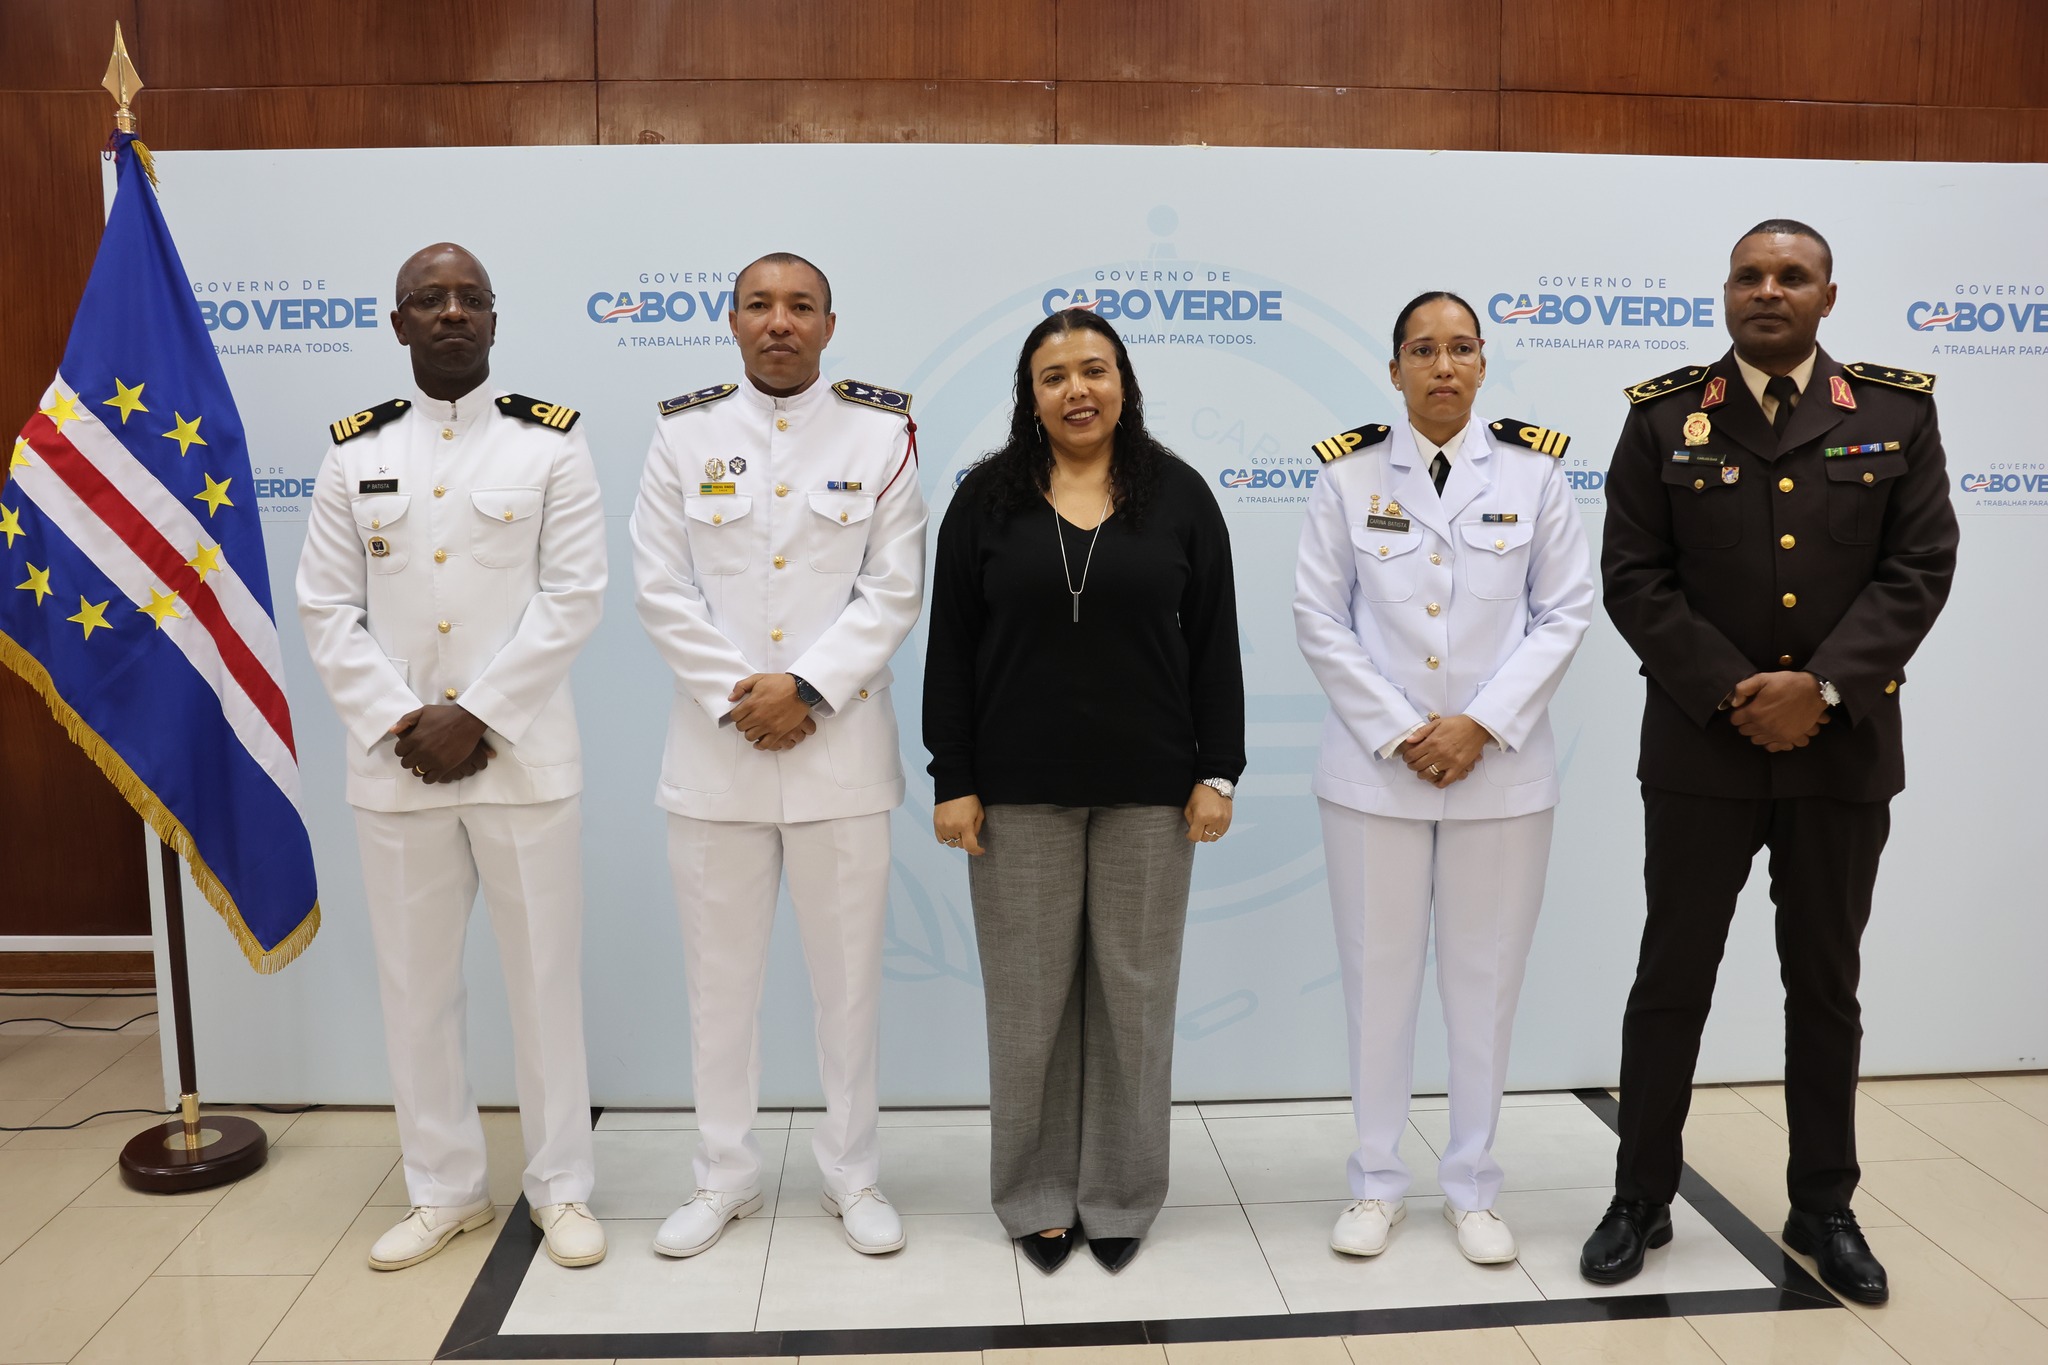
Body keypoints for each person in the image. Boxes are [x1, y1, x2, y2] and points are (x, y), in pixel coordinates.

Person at [1583, 220, 1958, 1304]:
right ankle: (1640, 1195)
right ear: (1724, 292)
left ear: (1826, 297)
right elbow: (1633, 574)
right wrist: (1732, 691)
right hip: (1702, 749)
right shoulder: (1664, 417)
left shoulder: (1892, 413)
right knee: (1671, 979)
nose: (1767, 290)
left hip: (1841, 754)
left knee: (1825, 985)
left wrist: (1821, 688)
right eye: (1748, 275)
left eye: (1791, 276)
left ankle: (1824, 1204)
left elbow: (1919, 566)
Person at [297, 243, 607, 1271]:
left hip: (523, 761)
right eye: (429, 300)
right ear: (398, 324)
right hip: (398, 768)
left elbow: (574, 597)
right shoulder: (354, 454)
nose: (452, 313)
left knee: (544, 982)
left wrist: (474, 714)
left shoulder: (549, 444)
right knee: (415, 987)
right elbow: (325, 609)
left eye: (471, 298)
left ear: (494, 319)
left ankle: (562, 1188)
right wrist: (406, 721)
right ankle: (444, 1190)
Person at [923, 307, 1245, 1276]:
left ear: (1124, 383)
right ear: (1030, 396)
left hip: (1152, 794)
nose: (1077, 390)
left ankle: (1120, 1195)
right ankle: (1033, 1194)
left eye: (1094, 370)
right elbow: (950, 650)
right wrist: (953, 778)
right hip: (1014, 796)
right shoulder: (985, 500)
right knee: (1029, 1007)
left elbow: (1214, 642)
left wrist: (1217, 770)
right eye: (1055, 375)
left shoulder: (1179, 495)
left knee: (1133, 1004)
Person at [631, 252, 927, 1259]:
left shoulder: (881, 432)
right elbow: (660, 588)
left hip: (840, 755)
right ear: (731, 320)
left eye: (801, 306)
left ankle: (853, 1174)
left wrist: (804, 689)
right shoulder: (682, 433)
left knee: (849, 987)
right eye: (759, 305)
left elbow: (893, 587)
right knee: (719, 986)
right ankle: (723, 1175)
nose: (780, 322)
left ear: (829, 326)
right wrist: (746, 697)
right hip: (716, 758)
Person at [1293, 291, 1594, 1266]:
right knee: (1375, 981)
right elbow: (1318, 618)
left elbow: (1564, 612)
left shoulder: (1533, 473)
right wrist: (1401, 731)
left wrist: (1478, 726)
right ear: (1394, 370)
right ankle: (1375, 1182)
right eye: (1422, 350)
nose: (1443, 366)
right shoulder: (1346, 477)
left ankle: (1472, 1185)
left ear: (1482, 363)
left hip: (1497, 774)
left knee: (1484, 983)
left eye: (1461, 348)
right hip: (1373, 776)